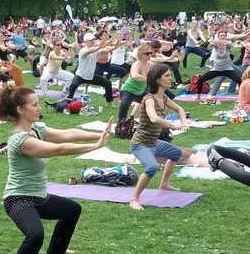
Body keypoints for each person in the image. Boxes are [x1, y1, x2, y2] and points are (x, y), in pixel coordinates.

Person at [0, 86, 113, 254]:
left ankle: (57, 250)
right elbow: (59, 149)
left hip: (39, 197)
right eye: (34, 104)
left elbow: (69, 134)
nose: (39, 107)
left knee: (72, 210)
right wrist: (94, 146)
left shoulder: (36, 129)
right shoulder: (20, 140)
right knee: (35, 235)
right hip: (18, 199)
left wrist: (101, 134)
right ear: (21, 110)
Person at [129, 64, 189, 211]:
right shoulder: (149, 99)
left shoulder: (164, 97)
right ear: (157, 80)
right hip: (140, 144)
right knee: (152, 168)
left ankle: (164, 184)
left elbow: (179, 109)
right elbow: (154, 118)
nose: (170, 78)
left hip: (154, 142)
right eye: (167, 76)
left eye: (170, 75)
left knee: (176, 154)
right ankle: (134, 199)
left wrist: (184, 122)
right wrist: (172, 125)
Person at [66, 32, 120, 105]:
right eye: (91, 40)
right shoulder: (83, 50)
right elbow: (89, 51)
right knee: (73, 86)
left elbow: (106, 50)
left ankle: (109, 102)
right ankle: (68, 101)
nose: (93, 41)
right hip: (80, 76)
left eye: (93, 39)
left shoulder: (96, 50)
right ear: (86, 41)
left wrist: (116, 46)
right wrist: (99, 47)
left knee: (108, 83)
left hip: (90, 76)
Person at [117, 43, 153, 123]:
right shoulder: (136, 64)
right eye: (147, 53)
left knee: (152, 103)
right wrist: (148, 79)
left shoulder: (150, 65)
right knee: (124, 106)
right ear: (141, 54)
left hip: (139, 92)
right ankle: (121, 125)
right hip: (128, 90)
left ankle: (147, 122)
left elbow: (159, 70)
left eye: (151, 53)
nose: (150, 55)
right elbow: (135, 76)